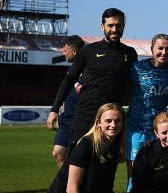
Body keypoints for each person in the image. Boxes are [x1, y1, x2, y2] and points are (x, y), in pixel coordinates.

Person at [48, 8, 138, 143]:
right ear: (102, 26)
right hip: (84, 117)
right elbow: (69, 79)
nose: (114, 29)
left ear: (123, 26)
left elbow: (136, 84)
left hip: (111, 121)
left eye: (118, 25)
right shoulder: (88, 50)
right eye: (110, 25)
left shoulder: (130, 53)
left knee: (106, 163)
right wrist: (54, 109)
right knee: (75, 162)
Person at [125, 33, 168, 191]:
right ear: (152, 49)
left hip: (159, 131)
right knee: (134, 175)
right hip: (136, 128)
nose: (164, 52)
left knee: (157, 174)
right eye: (160, 48)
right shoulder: (137, 68)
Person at [50, 35, 85, 167]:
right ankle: (65, 184)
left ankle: (76, 185)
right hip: (66, 119)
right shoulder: (71, 70)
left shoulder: (91, 69)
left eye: (65, 51)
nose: (63, 53)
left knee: (79, 158)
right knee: (58, 153)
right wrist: (59, 109)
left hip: (81, 119)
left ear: (74, 51)